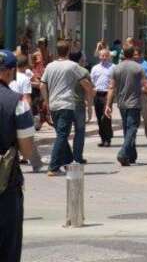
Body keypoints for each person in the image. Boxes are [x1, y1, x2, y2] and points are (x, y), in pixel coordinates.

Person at [0, 50, 36, 262]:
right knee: (8, 248)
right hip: (6, 186)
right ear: (11, 72)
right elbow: (27, 150)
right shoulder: (18, 103)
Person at [40, 40, 93, 176]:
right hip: (66, 104)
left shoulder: (50, 66)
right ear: (68, 51)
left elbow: (42, 85)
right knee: (62, 135)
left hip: (54, 105)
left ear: (57, 51)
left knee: (61, 135)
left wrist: (47, 102)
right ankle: (53, 166)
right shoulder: (72, 66)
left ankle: (68, 162)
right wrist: (91, 92)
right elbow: (84, 83)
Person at [105, 45, 147, 166]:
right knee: (132, 128)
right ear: (132, 54)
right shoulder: (138, 68)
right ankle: (123, 153)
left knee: (127, 129)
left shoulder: (116, 68)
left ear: (123, 54)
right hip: (134, 104)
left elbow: (111, 88)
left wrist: (108, 105)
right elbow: (146, 85)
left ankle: (131, 155)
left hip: (122, 104)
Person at [9, 56, 42, 172]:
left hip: (9, 109)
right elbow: (27, 97)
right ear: (26, 66)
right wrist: (29, 114)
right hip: (21, 110)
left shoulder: (10, 76)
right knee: (27, 138)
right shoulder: (25, 78)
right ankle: (36, 164)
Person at [69, 51, 94, 165]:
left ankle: (67, 156)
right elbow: (89, 91)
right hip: (79, 105)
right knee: (79, 132)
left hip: (65, 104)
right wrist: (89, 108)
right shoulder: (84, 71)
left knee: (64, 133)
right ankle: (77, 156)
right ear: (79, 59)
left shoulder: (64, 70)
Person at [90, 48, 115, 146]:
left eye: (106, 55)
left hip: (107, 94)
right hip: (97, 94)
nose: (104, 57)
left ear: (109, 56)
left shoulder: (113, 67)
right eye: (102, 55)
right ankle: (102, 138)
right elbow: (91, 81)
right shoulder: (95, 68)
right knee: (99, 117)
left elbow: (115, 81)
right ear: (99, 56)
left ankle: (108, 138)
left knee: (106, 116)